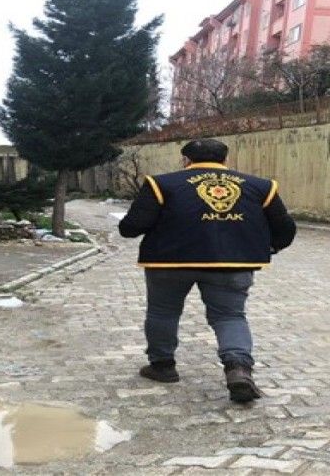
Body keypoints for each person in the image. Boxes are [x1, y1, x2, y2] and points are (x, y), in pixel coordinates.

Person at [118, 139, 296, 403]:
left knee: (163, 312)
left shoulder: (161, 184)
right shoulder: (261, 187)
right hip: (232, 263)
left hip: (169, 262)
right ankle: (238, 368)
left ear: (186, 160)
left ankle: (162, 366)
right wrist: (271, 247)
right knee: (230, 316)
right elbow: (285, 229)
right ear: (225, 160)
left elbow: (131, 227)